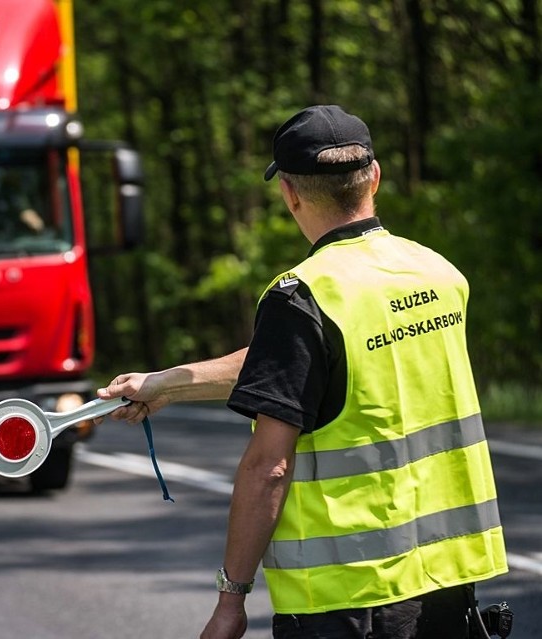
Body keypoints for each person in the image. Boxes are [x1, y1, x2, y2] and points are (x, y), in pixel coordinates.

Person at [96, 105, 508, 639]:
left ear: (289, 193)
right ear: (374, 177)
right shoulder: (438, 272)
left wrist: (231, 600)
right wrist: (166, 385)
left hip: (350, 600)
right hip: (450, 587)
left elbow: (268, 465)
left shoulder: (304, 296)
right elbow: (309, 363)